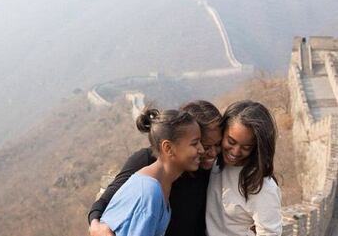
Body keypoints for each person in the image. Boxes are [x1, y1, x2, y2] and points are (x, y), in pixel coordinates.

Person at [88, 100, 222, 236]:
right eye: (202, 145)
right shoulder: (148, 167)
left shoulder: (207, 170)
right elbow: (107, 201)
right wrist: (95, 225)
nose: (212, 153)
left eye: (217, 145)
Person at [206, 100, 282, 236]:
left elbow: (270, 233)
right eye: (231, 141)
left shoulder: (262, 186)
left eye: (246, 147)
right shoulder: (213, 163)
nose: (235, 152)